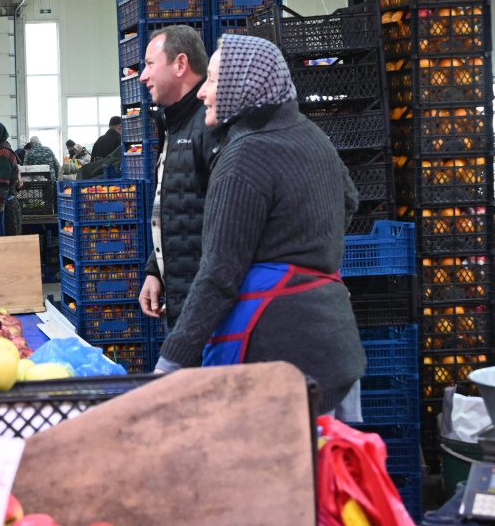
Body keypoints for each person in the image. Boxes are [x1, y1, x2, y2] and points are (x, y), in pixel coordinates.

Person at [154, 34, 365, 414]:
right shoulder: (312, 136)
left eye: (216, 80)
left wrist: (170, 363)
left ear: (243, 86)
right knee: (331, 465)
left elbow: (219, 275)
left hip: (279, 358)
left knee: (277, 471)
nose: (204, 93)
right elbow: (349, 200)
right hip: (335, 342)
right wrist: (304, 252)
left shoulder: (246, 155)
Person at [135, 25, 217, 332]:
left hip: (207, 310)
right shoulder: (177, 125)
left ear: (180, 64)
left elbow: (226, 224)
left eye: (150, 64)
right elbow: (179, 207)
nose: (143, 76)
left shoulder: (208, 126)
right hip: (185, 301)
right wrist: (155, 269)